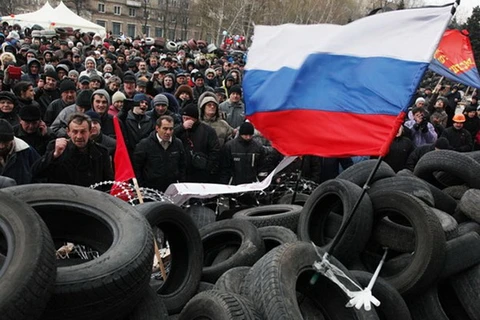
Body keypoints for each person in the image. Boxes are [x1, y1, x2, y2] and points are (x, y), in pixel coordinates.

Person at [32, 113, 113, 186]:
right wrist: (54, 155)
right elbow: (36, 172)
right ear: (68, 132)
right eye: (75, 132)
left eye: (83, 132)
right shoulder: (56, 147)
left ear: (90, 131)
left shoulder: (101, 152)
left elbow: (108, 182)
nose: (79, 136)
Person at [133, 115, 186, 192]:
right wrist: (142, 188)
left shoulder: (178, 143)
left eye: (171, 129)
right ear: (157, 128)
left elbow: (182, 166)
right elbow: (137, 168)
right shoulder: (145, 144)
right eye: (165, 129)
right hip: (151, 189)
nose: (168, 132)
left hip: (171, 189)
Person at [174, 103, 220, 183]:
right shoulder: (180, 130)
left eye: (188, 118)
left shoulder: (208, 131)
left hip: (202, 172)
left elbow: (215, 151)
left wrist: (208, 168)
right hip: (184, 173)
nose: (185, 121)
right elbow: (169, 137)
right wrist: (181, 128)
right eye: (183, 118)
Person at [0, 119, 40, 184]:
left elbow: (40, 172)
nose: (1, 146)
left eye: (5, 142)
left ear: (12, 139)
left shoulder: (26, 151)